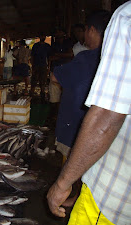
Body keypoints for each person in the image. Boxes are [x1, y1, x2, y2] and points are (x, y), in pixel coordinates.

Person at [47, 2, 131, 225]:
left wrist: (61, 184)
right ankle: (75, 194)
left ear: (92, 30)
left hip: (113, 197)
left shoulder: (125, 18)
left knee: (73, 165)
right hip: (115, 152)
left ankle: (71, 192)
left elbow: (106, 116)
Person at [51, 10, 111, 206]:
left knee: (74, 165)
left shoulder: (86, 58)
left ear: (92, 30)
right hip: (106, 129)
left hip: (78, 126)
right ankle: (80, 197)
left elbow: (55, 77)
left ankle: (73, 196)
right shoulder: (115, 58)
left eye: (86, 30)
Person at [30, 33, 51, 99]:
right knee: (34, 81)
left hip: (43, 65)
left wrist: (48, 67)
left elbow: (49, 57)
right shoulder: (35, 45)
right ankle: (31, 94)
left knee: (43, 81)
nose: (43, 37)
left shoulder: (47, 46)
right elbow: (32, 56)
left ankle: (42, 94)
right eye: (42, 36)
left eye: (44, 36)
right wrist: (32, 66)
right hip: (36, 65)